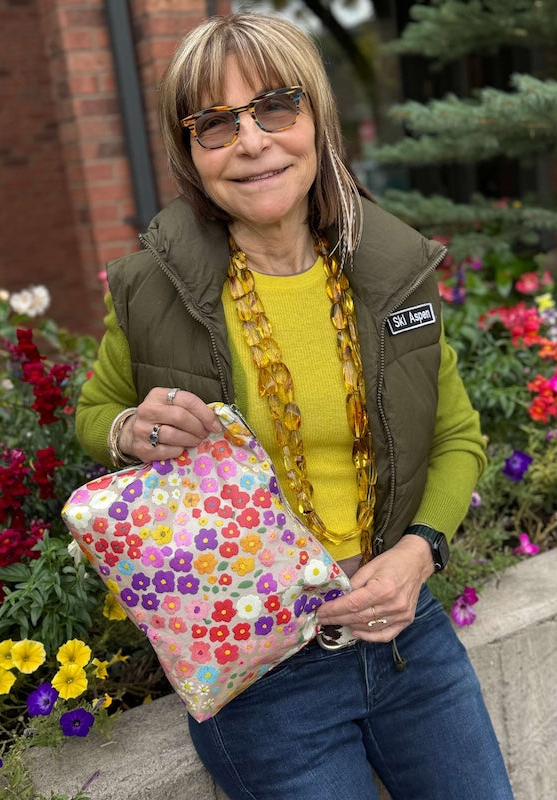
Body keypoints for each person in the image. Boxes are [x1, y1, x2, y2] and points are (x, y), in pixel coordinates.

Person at [76, 11, 514, 800]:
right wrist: (129, 427)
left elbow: (457, 435)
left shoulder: (392, 271)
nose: (252, 142)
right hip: (261, 677)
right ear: (191, 152)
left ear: (316, 117)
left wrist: (419, 553)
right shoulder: (153, 286)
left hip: (409, 641)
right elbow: (97, 412)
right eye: (215, 124)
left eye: (276, 107)